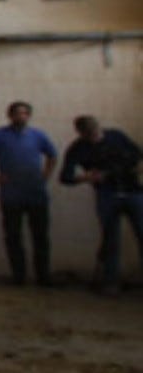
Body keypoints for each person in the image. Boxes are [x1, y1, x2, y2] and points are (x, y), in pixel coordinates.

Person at [0, 101, 57, 285]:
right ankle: (19, 277)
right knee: (13, 236)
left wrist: (45, 176)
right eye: (17, 113)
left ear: (29, 116)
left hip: (36, 193)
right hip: (11, 195)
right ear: (10, 116)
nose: (21, 117)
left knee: (40, 236)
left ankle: (43, 277)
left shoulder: (38, 136)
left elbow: (52, 155)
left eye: (24, 113)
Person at [59, 114, 143, 295]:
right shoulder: (78, 148)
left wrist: (137, 167)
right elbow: (65, 177)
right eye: (89, 134)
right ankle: (111, 282)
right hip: (107, 194)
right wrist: (85, 177)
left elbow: (138, 154)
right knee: (111, 240)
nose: (93, 136)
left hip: (132, 190)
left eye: (95, 132)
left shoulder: (116, 136)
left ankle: (114, 282)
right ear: (81, 133)